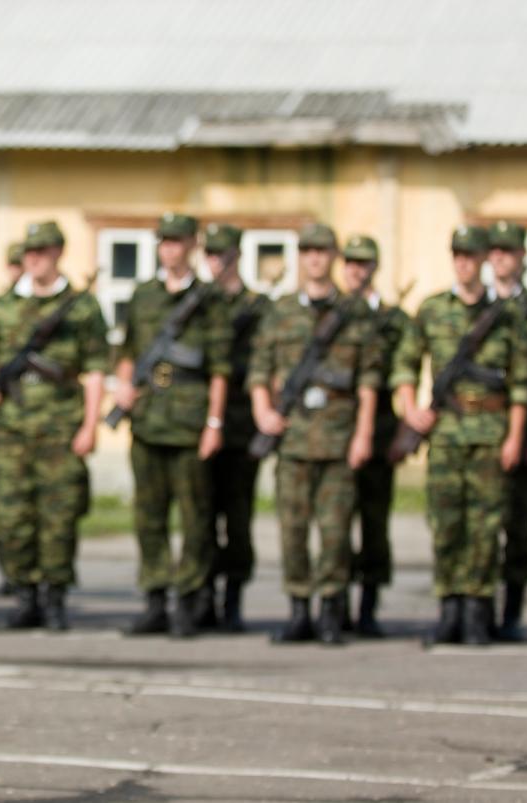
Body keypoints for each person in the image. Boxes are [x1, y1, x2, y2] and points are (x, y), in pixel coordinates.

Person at [393, 226, 527, 646]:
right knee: (446, 521)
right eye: (457, 255)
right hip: (447, 433)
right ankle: (449, 605)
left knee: (486, 524)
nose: (463, 263)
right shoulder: (433, 309)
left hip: (491, 432)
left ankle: (477, 608)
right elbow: (405, 362)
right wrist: (410, 407)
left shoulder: (507, 315)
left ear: (484, 260)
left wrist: (514, 437)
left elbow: (523, 383)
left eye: (471, 256)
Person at [248, 223, 380, 646]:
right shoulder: (281, 311)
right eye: (308, 251)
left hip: (339, 438)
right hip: (292, 439)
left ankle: (331, 611)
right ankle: (299, 609)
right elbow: (259, 369)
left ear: (334, 257)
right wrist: (263, 411)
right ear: (300, 258)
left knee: (337, 531)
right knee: (293, 530)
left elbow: (368, 381)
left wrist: (363, 435)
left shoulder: (354, 313)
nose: (315, 259)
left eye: (322, 251)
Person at [0, 221, 107, 630]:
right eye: (29, 251)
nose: (34, 258)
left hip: (60, 425)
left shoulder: (82, 308)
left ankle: (53, 597)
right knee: (12, 515)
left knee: (58, 516)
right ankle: (23, 594)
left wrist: (89, 426)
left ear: (58, 252)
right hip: (13, 427)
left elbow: (96, 370)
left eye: (42, 251)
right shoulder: (6, 306)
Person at [116, 213, 231, 638]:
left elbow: (220, 367)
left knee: (195, 517)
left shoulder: (209, 299)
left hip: (189, 418)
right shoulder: (143, 296)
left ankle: (189, 600)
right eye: (164, 242)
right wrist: (124, 386)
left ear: (192, 246)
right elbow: (127, 349)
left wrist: (214, 422)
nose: (170, 249)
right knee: (149, 516)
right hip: (148, 418)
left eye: (178, 242)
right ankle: (155, 598)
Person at [339, 235, 409, 638]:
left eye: (364, 263)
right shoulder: (331, 316)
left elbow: (405, 375)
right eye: (351, 262)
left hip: (379, 432)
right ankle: (337, 604)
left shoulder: (393, 320)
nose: (356, 270)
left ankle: (368, 606)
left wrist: (401, 431)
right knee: (335, 526)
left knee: (374, 524)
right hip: (334, 432)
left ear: (375, 268)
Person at [202, 223, 270, 631]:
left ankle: (234, 599)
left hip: (242, 427)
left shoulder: (259, 308)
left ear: (236, 257)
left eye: (221, 255)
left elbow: (267, 364)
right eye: (209, 254)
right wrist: (160, 389)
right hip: (196, 427)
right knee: (201, 518)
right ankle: (203, 597)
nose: (215, 262)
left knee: (238, 517)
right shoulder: (195, 303)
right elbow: (167, 367)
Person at [488, 220, 527, 641]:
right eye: (496, 250)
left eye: (509, 250)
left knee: (518, 526)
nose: (501, 258)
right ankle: (478, 612)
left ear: (523, 256)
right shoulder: (477, 308)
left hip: (526, 435)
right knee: (479, 526)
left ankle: (511, 611)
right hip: (479, 432)